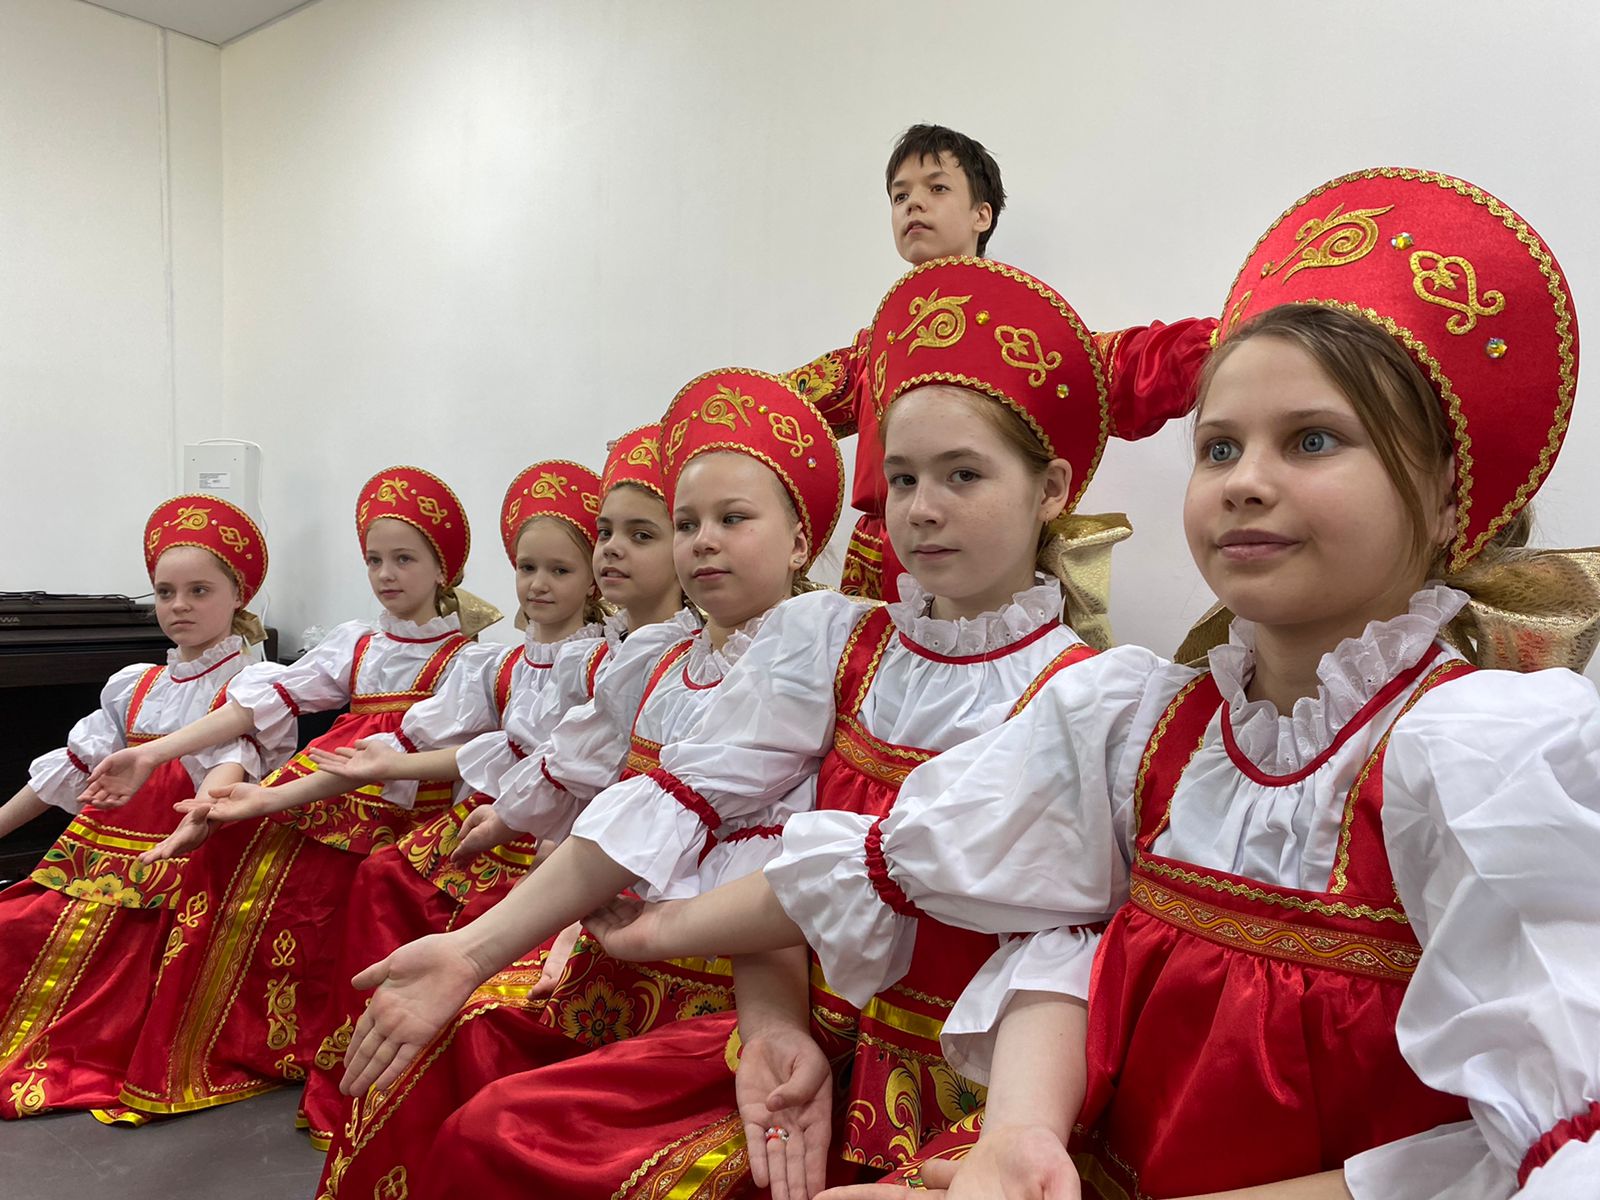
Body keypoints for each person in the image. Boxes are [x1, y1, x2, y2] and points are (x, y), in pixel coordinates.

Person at [806, 169, 1600, 1199]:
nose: (1242, 479)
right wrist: (1016, 1137)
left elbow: (1529, 1150)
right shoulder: (1147, 726)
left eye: (1311, 440)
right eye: (1217, 446)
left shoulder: (1479, 756)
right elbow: (1069, 933)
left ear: (1450, 493)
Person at [316, 374, 842, 1200]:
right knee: (450, 1047)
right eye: (686, 524)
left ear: (803, 541)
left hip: (722, 972)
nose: (701, 541)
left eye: (732, 519)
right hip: (615, 938)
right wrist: (512, 845)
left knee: (505, 1117)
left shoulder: (815, 645)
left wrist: (485, 940)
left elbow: (705, 817)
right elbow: (576, 771)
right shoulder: (656, 657)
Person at [80, 466, 495, 1123]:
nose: (386, 574)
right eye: (374, 559)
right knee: (235, 848)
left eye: (405, 558)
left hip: (412, 818)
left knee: (364, 888)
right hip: (326, 799)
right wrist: (158, 750)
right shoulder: (356, 642)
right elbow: (261, 701)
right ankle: (244, 1042)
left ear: (444, 568)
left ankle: (336, 1053)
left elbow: (436, 764)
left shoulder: (469, 662)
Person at [289, 458, 608, 1146]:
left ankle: (427, 1092)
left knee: (455, 909)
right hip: (487, 811)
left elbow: (581, 775)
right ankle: (366, 1080)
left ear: (593, 577)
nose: (539, 584)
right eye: (528, 568)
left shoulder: (605, 663)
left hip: (552, 832)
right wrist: (386, 762)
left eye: (560, 569)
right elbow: (474, 748)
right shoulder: (498, 662)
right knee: (383, 877)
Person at [785, 123, 1214, 602]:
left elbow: (1120, 368)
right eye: (899, 195)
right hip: (876, 565)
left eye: (937, 187)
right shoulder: (872, 352)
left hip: (982, 563)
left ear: (981, 215)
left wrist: (1233, 338)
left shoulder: (1016, 334)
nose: (913, 203)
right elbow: (779, 412)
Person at [0, 495, 282, 1120]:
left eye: (198, 590)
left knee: (70, 956)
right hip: (93, 861)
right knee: (14, 924)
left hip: (177, 871)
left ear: (239, 596)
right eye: (164, 591)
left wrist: (193, 821)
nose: (178, 606)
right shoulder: (136, 685)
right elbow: (68, 769)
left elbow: (229, 774)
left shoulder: (251, 685)